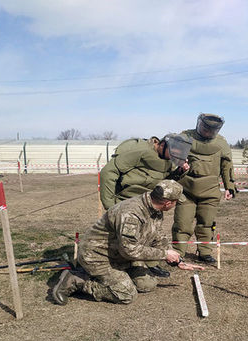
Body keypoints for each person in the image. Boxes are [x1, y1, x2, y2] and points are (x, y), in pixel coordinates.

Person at [52, 180, 203, 306]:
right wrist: (164, 255)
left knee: (146, 284)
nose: (176, 205)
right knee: (126, 294)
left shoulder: (155, 210)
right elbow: (129, 250)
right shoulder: (131, 213)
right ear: (168, 203)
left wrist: (177, 260)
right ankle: (76, 280)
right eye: (176, 202)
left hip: (120, 255)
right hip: (98, 255)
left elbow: (157, 236)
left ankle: (116, 276)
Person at [172, 113, 237, 265]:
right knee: (182, 224)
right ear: (199, 124)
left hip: (210, 192)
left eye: (211, 130)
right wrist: (179, 166)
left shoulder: (221, 144)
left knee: (206, 224)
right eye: (205, 128)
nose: (207, 132)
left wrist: (230, 187)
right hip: (186, 190)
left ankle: (205, 253)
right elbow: (171, 160)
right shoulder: (185, 137)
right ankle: (178, 253)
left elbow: (227, 166)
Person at [99, 135, 189, 210]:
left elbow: (163, 183)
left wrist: (179, 172)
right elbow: (108, 172)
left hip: (149, 206)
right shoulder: (140, 150)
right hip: (125, 204)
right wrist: (110, 206)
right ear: (162, 145)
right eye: (173, 153)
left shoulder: (169, 162)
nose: (174, 157)